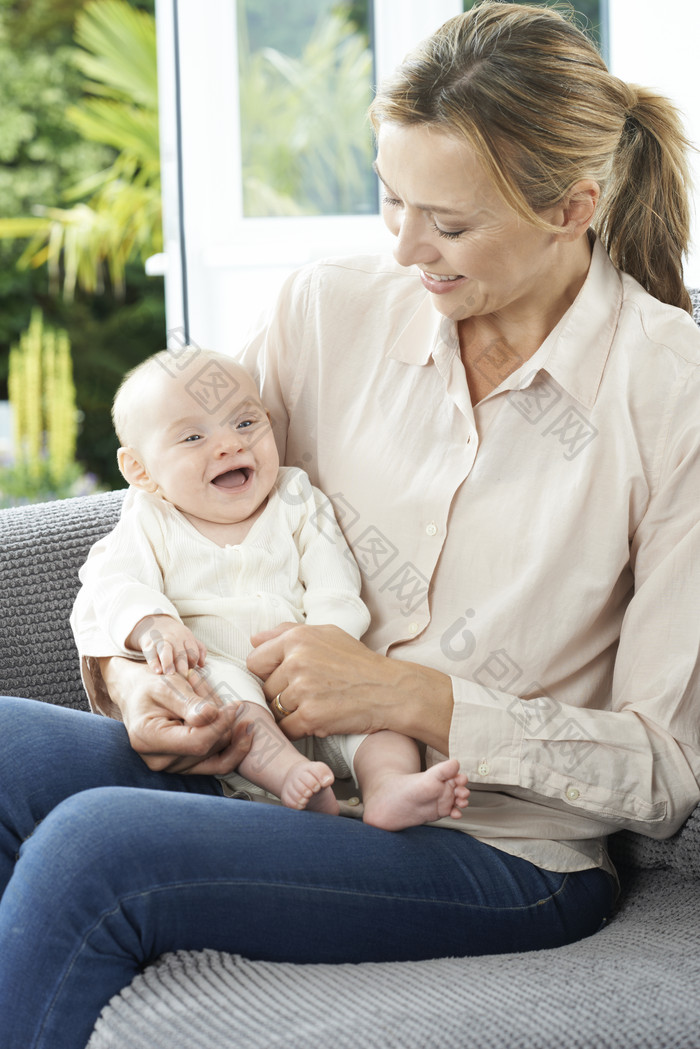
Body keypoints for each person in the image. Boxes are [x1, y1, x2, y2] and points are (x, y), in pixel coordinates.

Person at [1, 4, 699, 1047]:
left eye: (450, 225)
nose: (406, 248)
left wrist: (411, 693)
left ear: (572, 207)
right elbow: (168, 506)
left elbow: (660, 773)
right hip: (270, 764)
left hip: (502, 849)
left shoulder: (670, 391)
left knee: (99, 849)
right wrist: (138, 679)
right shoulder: (329, 313)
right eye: (391, 201)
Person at [71, 349, 469, 826]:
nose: (228, 446)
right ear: (140, 471)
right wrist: (152, 625)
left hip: (314, 674)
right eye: (194, 437)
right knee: (227, 698)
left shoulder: (295, 496)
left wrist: (329, 644)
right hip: (213, 665)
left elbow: (334, 581)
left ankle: (387, 787)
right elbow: (112, 581)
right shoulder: (149, 518)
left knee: (381, 723)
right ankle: (289, 777)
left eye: (244, 424)